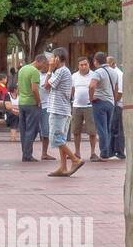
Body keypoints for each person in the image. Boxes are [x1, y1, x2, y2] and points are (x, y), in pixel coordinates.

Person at [43, 47, 83, 177]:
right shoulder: (61, 71)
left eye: (53, 57)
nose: (51, 60)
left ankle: (75, 160)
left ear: (58, 58)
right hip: (61, 109)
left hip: (58, 110)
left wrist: (49, 70)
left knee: (57, 138)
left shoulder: (61, 71)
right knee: (61, 138)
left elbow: (46, 86)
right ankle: (63, 166)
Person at [17, 54, 48, 162]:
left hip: (21, 102)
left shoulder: (22, 69)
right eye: (45, 64)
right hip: (31, 103)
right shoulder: (34, 71)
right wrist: (38, 101)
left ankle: (25, 152)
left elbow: (19, 86)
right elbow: (34, 89)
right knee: (32, 129)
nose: (45, 67)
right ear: (40, 62)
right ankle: (27, 155)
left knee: (23, 129)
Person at [71, 57, 100, 161]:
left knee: (92, 131)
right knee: (76, 130)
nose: (83, 67)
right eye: (81, 65)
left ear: (89, 64)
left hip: (90, 106)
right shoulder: (74, 76)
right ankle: (77, 152)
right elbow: (72, 90)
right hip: (76, 106)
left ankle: (93, 153)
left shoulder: (94, 75)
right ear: (78, 66)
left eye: (85, 64)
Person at [88, 51, 116, 160]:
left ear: (95, 61)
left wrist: (91, 98)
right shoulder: (113, 72)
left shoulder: (98, 72)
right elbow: (116, 88)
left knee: (101, 128)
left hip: (99, 102)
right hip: (110, 102)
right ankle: (109, 150)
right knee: (108, 128)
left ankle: (104, 152)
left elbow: (91, 86)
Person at [106, 56, 126, 159]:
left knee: (118, 129)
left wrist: (113, 102)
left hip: (117, 104)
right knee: (112, 128)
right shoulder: (112, 73)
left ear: (113, 64)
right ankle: (112, 150)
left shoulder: (118, 74)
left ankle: (119, 151)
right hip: (114, 103)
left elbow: (120, 92)